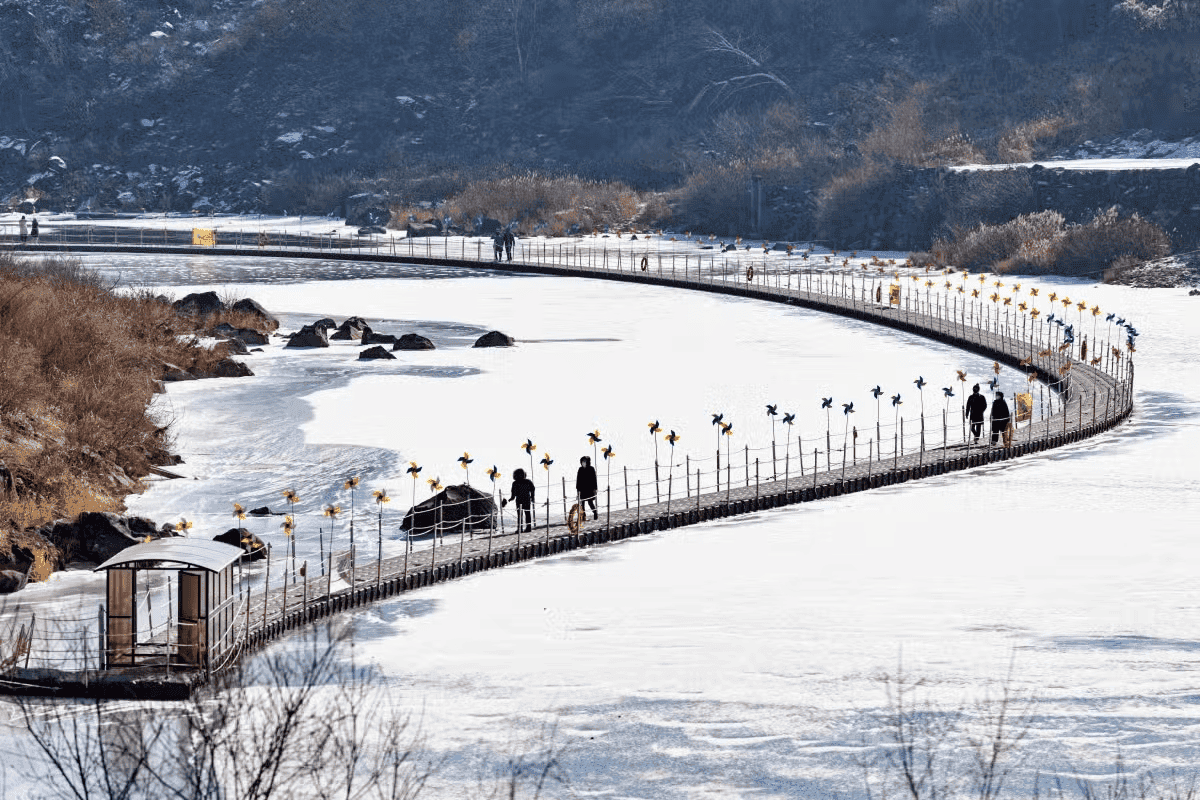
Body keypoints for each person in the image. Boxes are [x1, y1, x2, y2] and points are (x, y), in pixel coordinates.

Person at [507, 468, 536, 532]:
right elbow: (532, 489)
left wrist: (512, 498)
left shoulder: (515, 483)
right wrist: (532, 497)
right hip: (526, 499)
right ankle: (528, 528)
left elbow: (513, 492)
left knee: (520, 515)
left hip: (519, 500)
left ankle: (520, 529)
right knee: (527, 514)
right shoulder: (528, 481)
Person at [576, 456, 598, 520]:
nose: (583, 463)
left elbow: (594, 479)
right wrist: (578, 489)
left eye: (585, 461)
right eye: (582, 461)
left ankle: (595, 512)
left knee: (590, 502)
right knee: (582, 503)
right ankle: (583, 516)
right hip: (582, 490)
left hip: (589, 489)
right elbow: (578, 480)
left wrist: (595, 489)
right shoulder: (580, 469)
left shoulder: (591, 469)